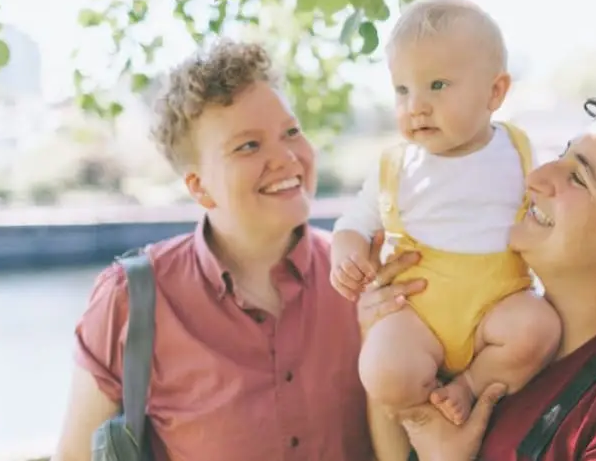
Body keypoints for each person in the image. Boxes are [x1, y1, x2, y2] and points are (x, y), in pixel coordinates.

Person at [357, 79, 596, 460]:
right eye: (562, 154)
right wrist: (381, 334)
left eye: (577, 177)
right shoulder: (489, 326)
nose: (536, 178)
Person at [50, 40, 379, 461]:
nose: (286, 158)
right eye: (248, 146)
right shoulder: (129, 301)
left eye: (291, 132)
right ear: (198, 187)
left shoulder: (367, 276)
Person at [330, 0, 561, 461]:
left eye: (437, 86)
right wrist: (346, 251)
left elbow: (547, 212)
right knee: (381, 369)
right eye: (401, 90)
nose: (416, 106)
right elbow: (355, 220)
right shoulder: (396, 166)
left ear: (494, 93)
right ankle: (421, 419)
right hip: (419, 314)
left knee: (538, 327)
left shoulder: (517, 151)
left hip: (497, 306)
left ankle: (471, 384)